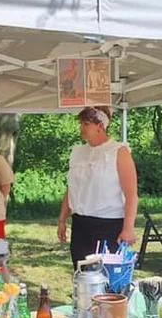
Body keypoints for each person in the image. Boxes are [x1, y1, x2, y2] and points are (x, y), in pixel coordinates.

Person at [57, 106, 139, 267]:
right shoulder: (78, 152)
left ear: (100, 126)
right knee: (82, 276)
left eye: (86, 124)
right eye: (81, 124)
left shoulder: (119, 152)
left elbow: (131, 194)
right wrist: (62, 220)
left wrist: (128, 228)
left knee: (105, 277)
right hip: (81, 224)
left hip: (108, 225)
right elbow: (72, 188)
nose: (81, 128)